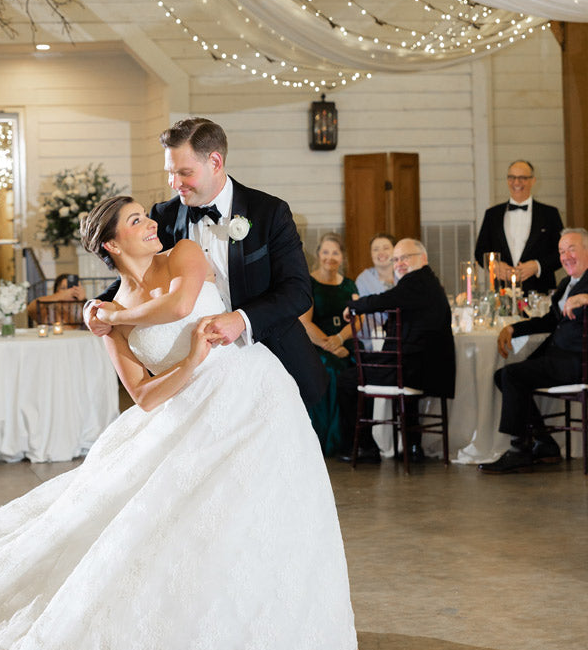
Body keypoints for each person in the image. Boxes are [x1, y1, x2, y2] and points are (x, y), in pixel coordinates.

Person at [0, 195, 361, 650]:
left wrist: (113, 318)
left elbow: (181, 306)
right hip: (185, 413)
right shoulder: (110, 313)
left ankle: (286, 638)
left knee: (266, 520)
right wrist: (183, 361)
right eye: (137, 220)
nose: (151, 223)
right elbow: (143, 396)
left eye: (147, 214)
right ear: (111, 243)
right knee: (175, 526)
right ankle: (201, 643)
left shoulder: (183, 255)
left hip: (255, 401)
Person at [86, 117, 329, 433]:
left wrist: (241, 319)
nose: (175, 183)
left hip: (271, 356)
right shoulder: (163, 216)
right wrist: (94, 306)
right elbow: (139, 279)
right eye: (170, 173)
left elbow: (297, 290)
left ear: (215, 161)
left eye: (184, 172)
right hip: (197, 378)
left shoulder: (269, 212)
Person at [338, 238, 456, 465]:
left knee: (347, 379)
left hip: (415, 369)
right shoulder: (428, 281)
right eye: (396, 259)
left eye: (405, 257)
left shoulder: (416, 281)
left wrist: (354, 306)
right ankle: (413, 446)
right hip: (430, 367)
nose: (400, 263)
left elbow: (385, 299)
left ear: (423, 258)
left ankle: (365, 446)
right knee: (376, 368)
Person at [480, 228, 588, 475]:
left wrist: (585, 299)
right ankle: (545, 443)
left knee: (512, 376)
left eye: (571, 249)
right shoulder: (565, 284)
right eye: (561, 251)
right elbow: (550, 322)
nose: (565, 256)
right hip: (557, 356)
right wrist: (513, 328)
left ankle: (518, 450)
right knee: (503, 376)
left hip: (578, 359)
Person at [298, 233, 358, 456]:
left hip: (345, 343)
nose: (330, 257)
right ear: (318, 255)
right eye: (325, 252)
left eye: (335, 252)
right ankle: (328, 441)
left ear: (342, 257)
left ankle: (352, 441)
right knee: (330, 370)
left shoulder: (349, 285)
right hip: (317, 345)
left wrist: (341, 340)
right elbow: (304, 322)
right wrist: (329, 345)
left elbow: (357, 320)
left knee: (355, 370)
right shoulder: (309, 283)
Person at [474, 160, 563, 294]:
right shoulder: (492, 214)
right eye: (512, 177)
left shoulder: (549, 214)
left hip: (540, 291)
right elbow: (480, 251)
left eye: (522, 178)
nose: (516, 182)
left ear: (533, 180)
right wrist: (494, 265)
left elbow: (561, 253)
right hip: (502, 292)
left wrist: (537, 266)